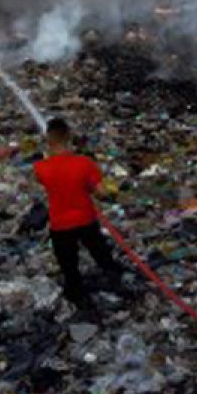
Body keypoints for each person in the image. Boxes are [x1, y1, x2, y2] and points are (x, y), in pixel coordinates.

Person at [33, 118, 123, 310]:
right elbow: (101, 192)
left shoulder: (41, 168)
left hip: (60, 225)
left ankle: (78, 298)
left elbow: (49, 183)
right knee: (102, 255)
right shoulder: (85, 163)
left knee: (69, 267)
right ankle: (117, 285)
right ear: (68, 136)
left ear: (48, 139)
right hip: (86, 219)